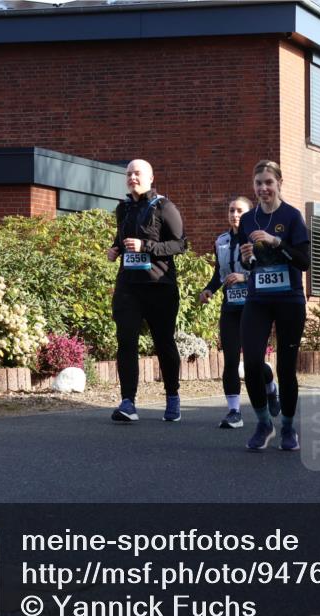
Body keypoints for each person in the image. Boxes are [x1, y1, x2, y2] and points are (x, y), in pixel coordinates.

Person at [238, 160, 310, 451]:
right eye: (258, 183)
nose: (263, 188)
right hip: (258, 299)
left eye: (268, 182)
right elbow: (249, 263)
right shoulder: (247, 220)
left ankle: (289, 427)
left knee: (286, 368)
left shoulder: (291, 216)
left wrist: (275, 241)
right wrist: (246, 257)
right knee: (252, 363)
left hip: (289, 299)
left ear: (280, 183)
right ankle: (264, 422)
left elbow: (304, 262)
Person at [107, 159, 186, 423]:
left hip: (159, 287)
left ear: (151, 178)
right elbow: (121, 240)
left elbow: (180, 244)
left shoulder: (164, 206)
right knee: (126, 342)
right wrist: (115, 249)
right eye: (129, 173)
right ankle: (128, 401)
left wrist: (146, 247)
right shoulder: (124, 208)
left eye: (138, 173)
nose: (132, 177)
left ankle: (172, 396)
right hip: (128, 287)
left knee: (164, 343)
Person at [200, 197, 279, 429]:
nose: (235, 214)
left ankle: (271, 387)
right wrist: (208, 290)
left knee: (254, 362)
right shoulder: (221, 240)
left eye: (240, 211)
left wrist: (245, 277)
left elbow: (268, 271)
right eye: (231, 210)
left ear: (248, 214)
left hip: (254, 306)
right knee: (231, 360)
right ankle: (234, 412)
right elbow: (219, 274)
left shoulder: (257, 239)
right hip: (230, 308)